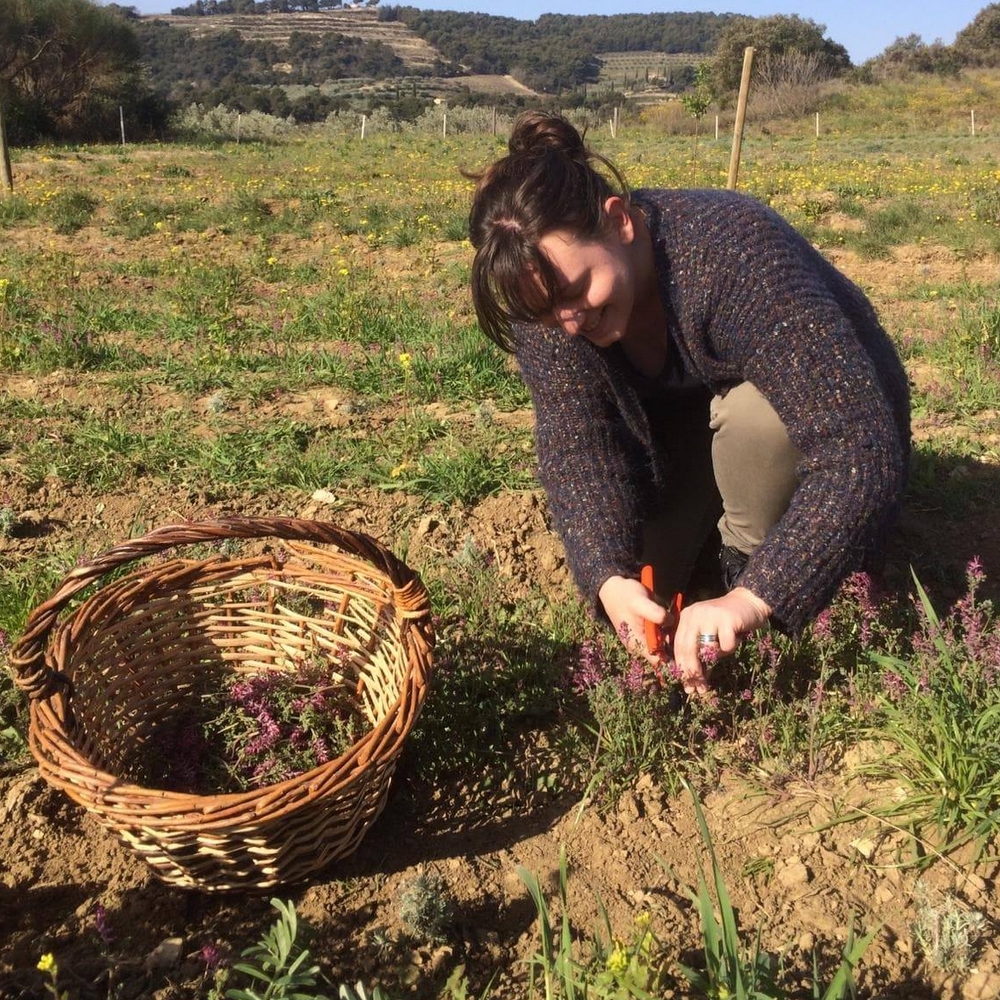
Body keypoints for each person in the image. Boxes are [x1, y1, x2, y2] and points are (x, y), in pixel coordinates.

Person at [465, 111, 911, 696]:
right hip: (685, 432)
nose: (570, 323)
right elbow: (580, 445)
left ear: (619, 222)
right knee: (651, 586)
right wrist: (608, 578)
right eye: (547, 312)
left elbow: (860, 448)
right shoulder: (547, 297)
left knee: (757, 420)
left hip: (828, 416)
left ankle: (746, 566)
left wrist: (755, 596)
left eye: (576, 292)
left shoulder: (731, 253)